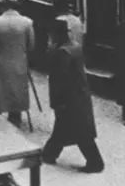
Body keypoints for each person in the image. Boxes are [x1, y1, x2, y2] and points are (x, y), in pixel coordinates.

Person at [41, 18, 104, 173]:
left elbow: (59, 79)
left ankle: (95, 162)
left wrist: (56, 101)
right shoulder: (75, 47)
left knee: (79, 132)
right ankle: (49, 153)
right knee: (65, 128)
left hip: (68, 99)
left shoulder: (62, 52)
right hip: (79, 95)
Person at [0, 0, 36, 128]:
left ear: (4, 5)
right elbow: (31, 45)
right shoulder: (27, 23)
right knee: (16, 91)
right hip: (19, 63)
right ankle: (15, 117)